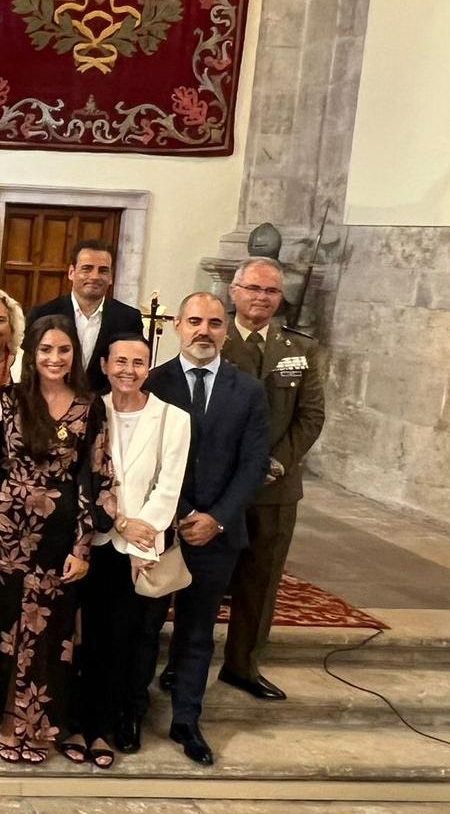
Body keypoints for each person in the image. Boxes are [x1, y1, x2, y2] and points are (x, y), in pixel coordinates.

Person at [0, 314, 114, 765]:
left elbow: (94, 476)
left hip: (61, 532)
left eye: (64, 350)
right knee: (7, 625)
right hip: (8, 528)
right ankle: (10, 723)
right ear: (32, 354)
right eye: (46, 350)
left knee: (51, 633)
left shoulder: (90, 406)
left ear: (75, 355)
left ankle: (42, 727)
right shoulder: (7, 401)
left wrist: (82, 544)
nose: (55, 358)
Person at [142, 292, 269, 766]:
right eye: (195, 321)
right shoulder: (154, 382)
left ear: (226, 329)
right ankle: (133, 712)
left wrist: (215, 517)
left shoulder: (248, 390)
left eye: (215, 324)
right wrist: (176, 514)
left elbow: (254, 463)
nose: (204, 331)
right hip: (162, 529)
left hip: (218, 533)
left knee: (197, 631)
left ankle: (187, 721)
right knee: (147, 627)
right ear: (178, 325)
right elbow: (144, 459)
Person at [65, 333, 189, 767]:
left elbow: (169, 484)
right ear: (104, 365)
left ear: (148, 368)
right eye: (120, 361)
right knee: (85, 638)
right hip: (94, 540)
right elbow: (83, 475)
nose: (128, 370)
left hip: (137, 548)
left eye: (138, 363)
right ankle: (77, 722)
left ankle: (105, 726)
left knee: (123, 640)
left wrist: (141, 528)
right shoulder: (90, 409)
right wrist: (116, 520)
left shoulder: (173, 418)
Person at [220, 257, 325, 702]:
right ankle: (184, 661)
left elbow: (311, 415)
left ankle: (243, 663)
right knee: (204, 577)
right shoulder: (213, 338)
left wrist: (275, 462)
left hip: (275, 486)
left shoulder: (300, 349)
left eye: (271, 291)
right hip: (220, 486)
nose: (261, 297)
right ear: (235, 291)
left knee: (261, 579)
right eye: (253, 288)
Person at [26, 240, 143, 395]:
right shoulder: (43, 314)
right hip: (51, 404)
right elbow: (30, 366)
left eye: (103, 270)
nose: (95, 276)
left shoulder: (128, 319)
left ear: (110, 277)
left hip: (105, 408)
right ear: (71, 273)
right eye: (87, 269)